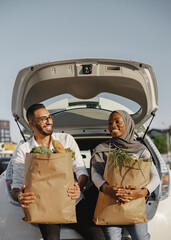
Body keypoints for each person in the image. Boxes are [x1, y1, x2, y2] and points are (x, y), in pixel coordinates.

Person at [11, 103, 106, 240]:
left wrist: (78, 186)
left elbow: (80, 169)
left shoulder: (66, 140)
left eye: (49, 117)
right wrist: (19, 195)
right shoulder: (24, 149)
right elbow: (17, 182)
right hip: (44, 205)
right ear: (31, 124)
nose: (48, 120)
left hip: (73, 201)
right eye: (43, 118)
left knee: (97, 236)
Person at [91, 110, 160, 240]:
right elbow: (95, 174)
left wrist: (142, 192)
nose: (113, 125)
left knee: (141, 237)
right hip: (110, 202)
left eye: (117, 121)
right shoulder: (102, 149)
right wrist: (106, 189)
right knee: (112, 237)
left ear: (128, 124)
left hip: (135, 202)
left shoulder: (141, 150)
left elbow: (155, 177)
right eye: (110, 123)